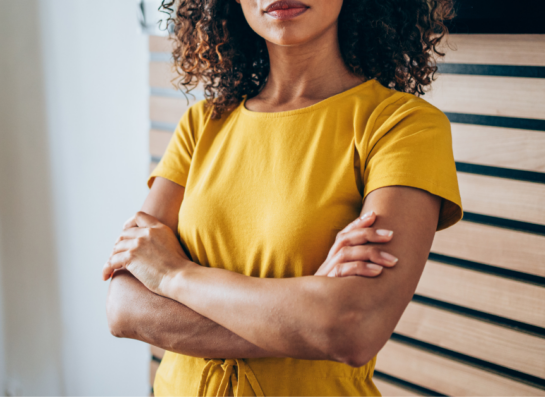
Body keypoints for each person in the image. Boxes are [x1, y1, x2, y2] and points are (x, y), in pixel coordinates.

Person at [103, 0, 461, 395]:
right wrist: (304, 317)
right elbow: (124, 308)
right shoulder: (202, 124)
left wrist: (174, 274)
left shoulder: (403, 127)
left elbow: (353, 328)